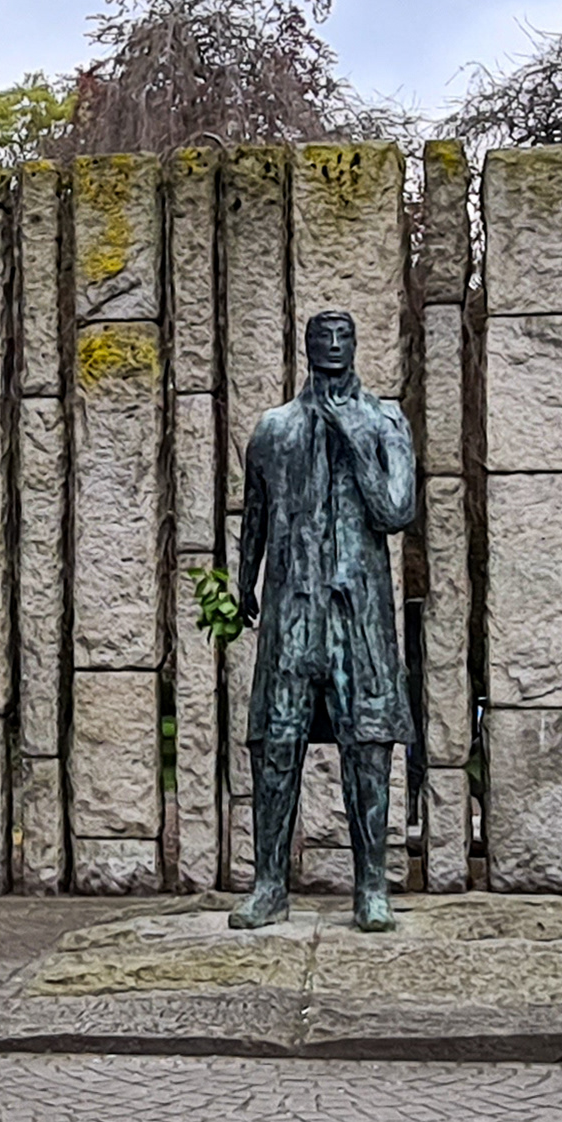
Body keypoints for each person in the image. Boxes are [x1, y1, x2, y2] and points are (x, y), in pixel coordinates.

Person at [231, 308, 420, 930]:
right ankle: (268, 885)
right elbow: (254, 511)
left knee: (367, 745)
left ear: (356, 345)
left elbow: (397, 511)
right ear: (307, 347)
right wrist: (242, 582)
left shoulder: (385, 419)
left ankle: (371, 888)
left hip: (358, 614)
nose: (333, 346)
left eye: (343, 337)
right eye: (322, 337)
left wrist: (352, 443)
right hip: (292, 608)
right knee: (276, 743)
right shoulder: (275, 428)